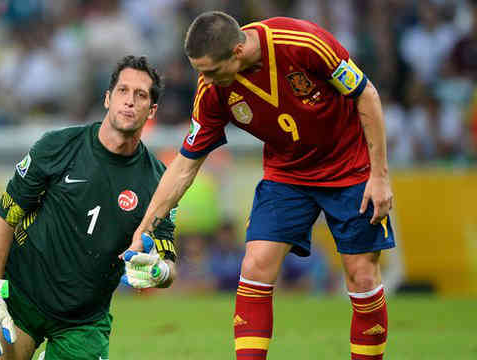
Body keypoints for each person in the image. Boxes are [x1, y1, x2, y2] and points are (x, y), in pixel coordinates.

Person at [125, 11, 395, 360]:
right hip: (287, 175)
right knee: (254, 265)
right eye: (198, 70)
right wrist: (144, 228)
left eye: (209, 70)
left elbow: (366, 95)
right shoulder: (212, 90)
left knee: (361, 276)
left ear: (237, 52)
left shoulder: (301, 42)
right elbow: (184, 165)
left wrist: (379, 176)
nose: (203, 79)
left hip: (350, 168)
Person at [0, 55, 177, 360]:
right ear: (107, 98)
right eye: (122, 91)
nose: (129, 101)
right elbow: (5, 216)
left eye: (141, 95)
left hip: (84, 320)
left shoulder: (159, 182)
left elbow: (168, 258)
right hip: (23, 298)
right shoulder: (58, 146)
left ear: (152, 110)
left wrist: (160, 271)